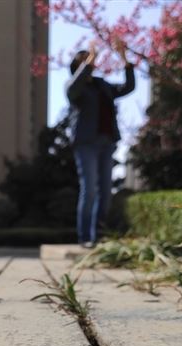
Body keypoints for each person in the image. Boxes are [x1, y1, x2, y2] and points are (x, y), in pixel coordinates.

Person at [65, 39, 135, 248]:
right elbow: (74, 89)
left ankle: (99, 235)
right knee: (89, 189)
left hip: (107, 142)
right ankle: (85, 236)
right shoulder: (73, 87)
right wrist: (89, 62)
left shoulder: (102, 85)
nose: (90, 61)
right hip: (86, 143)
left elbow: (128, 87)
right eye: (84, 60)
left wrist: (124, 58)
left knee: (105, 192)